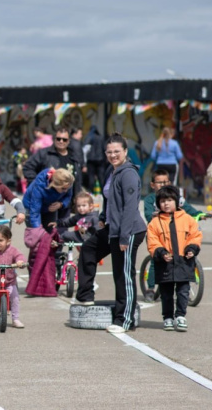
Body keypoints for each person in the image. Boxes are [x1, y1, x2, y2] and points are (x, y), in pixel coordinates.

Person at [75, 133, 147, 334]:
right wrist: (103, 216)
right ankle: (86, 295)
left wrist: (124, 237)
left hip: (129, 231)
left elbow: (130, 207)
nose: (113, 155)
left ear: (125, 152)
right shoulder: (112, 170)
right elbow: (109, 197)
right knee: (89, 248)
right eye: (110, 152)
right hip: (113, 228)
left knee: (123, 275)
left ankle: (125, 320)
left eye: (117, 151)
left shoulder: (129, 174)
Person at [146, 186, 202, 332]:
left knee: (183, 291)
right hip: (165, 263)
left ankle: (181, 316)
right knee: (166, 293)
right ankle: (168, 318)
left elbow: (195, 236)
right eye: (163, 201)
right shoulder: (154, 223)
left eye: (170, 200)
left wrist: (192, 249)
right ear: (158, 204)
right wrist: (161, 252)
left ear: (177, 202)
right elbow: (152, 241)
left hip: (184, 262)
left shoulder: (188, 219)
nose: (166, 204)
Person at [22, 168, 74, 297]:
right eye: (62, 189)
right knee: (38, 246)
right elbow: (34, 211)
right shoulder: (40, 186)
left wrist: (61, 204)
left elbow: (69, 196)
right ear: (54, 185)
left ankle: (50, 277)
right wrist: (38, 233)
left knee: (52, 243)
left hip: (50, 209)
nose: (65, 190)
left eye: (67, 188)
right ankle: (34, 281)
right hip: (32, 209)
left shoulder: (67, 182)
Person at [23, 127, 83, 196]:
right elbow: (28, 167)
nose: (61, 141)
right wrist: (37, 185)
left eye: (64, 140)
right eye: (58, 139)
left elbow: (77, 181)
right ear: (54, 139)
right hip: (47, 199)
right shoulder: (44, 153)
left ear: (68, 141)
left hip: (67, 201)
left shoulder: (73, 156)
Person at [83, 125, 106, 193]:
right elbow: (104, 149)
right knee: (101, 177)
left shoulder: (89, 137)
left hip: (91, 160)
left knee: (91, 177)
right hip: (100, 160)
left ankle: (90, 191)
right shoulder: (101, 138)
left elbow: (85, 149)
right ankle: (103, 192)